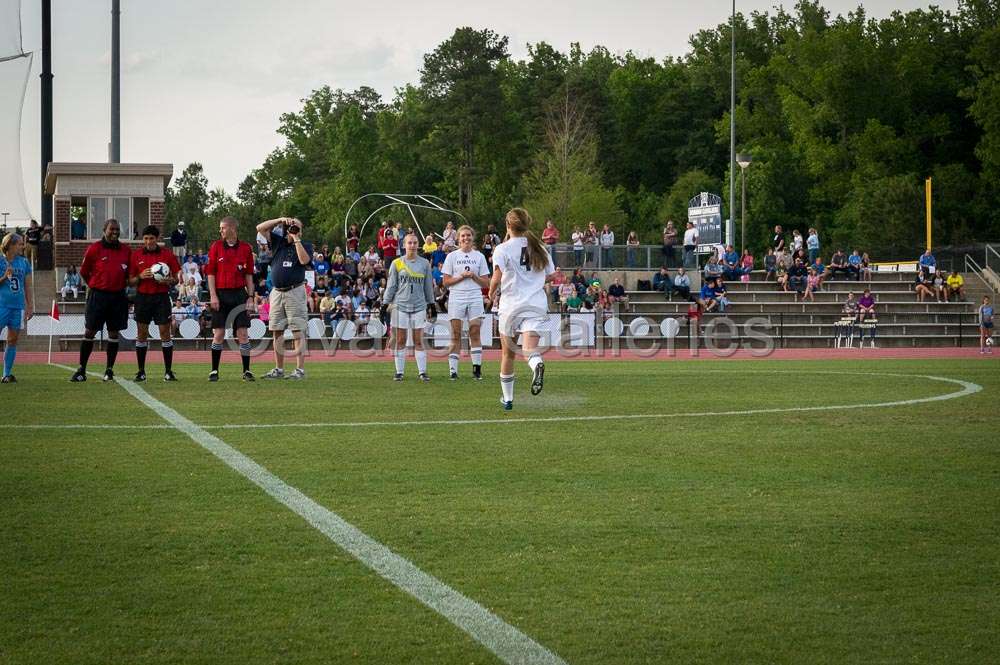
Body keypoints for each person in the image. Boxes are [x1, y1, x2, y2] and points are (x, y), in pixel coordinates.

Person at [488, 208, 555, 410]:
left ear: (508, 225)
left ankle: (508, 400)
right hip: (535, 303)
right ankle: (536, 365)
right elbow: (551, 275)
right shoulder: (540, 247)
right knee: (529, 350)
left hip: (511, 305)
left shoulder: (502, 249)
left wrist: (491, 293)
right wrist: (532, 281)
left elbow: (497, 278)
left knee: (508, 354)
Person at [70, 220, 132, 382]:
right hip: (98, 296)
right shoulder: (95, 248)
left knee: (113, 333)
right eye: (112, 229)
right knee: (90, 331)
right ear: (104, 230)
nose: (115, 232)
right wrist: (93, 284)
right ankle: (81, 369)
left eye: (117, 229)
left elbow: (130, 276)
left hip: (118, 297)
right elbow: (84, 271)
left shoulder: (126, 250)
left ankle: (109, 370)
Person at [256, 216, 313, 380]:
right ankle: (279, 369)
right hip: (277, 292)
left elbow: (304, 260)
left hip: (295, 291)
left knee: (297, 331)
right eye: (292, 226)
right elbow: (260, 228)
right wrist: (280, 220)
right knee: (277, 331)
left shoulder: (305, 246)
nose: (293, 228)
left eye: (297, 227)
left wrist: (296, 238)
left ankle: (299, 370)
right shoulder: (278, 242)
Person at [206, 216, 257, 381]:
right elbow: (210, 273)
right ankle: (214, 370)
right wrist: (213, 295)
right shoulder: (215, 247)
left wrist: (250, 296)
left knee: (242, 333)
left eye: (223, 228)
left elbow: (249, 275)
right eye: (220, 228)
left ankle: (246, 371)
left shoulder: (245, 248)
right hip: (220, 294)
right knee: (219, 333)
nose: (220, 231)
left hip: (239, 295)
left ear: (232, 229)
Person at [128, 225, 181, 382]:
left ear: (157, 239)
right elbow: (130, 282)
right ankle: (141, 372)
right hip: (143, 298)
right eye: (145, 238)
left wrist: (169, 280)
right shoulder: (136, 255)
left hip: (161, 298)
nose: (148, 241)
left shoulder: (167, 254)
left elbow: (176, 278)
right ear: (142, 239)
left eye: (151, 238)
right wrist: (140, 277)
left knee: (165, 333)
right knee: (142, 334)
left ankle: (168, 371)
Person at [381, 233, 436, 381]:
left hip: (419, 306)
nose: (412, 245)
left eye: (414, 242)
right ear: (404, 245)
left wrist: (432, 303)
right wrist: (385, 304)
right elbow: (391, 286)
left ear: (418, 245)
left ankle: (422, 372)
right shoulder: (396, 263)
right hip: (400, 305)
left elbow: (428, 286)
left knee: (419, 340)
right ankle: (399, 372)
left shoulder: (424, 264)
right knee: (400, 339)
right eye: (409, 243)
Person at [441, 226, 491, 380]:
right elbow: (446, 282)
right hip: (457, 297)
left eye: (468, 235)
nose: (465, 238)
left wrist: (473, 276)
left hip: (475, 297)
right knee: (455, 334)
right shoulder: (452, 256)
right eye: (463, 236)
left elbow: (486, 283)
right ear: (458, 238)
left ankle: (477, 370)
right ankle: (453, 371)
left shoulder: (479, 256)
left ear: (472, 237)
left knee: (474, 333)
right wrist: (462, 277)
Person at [0, 233, 33, 382]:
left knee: (12, 339)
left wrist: (29, 305)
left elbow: (27, 285)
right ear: (11, 245)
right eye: (20, 244)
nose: (22, 246)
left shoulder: (24, 262)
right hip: (2, 305)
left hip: (18, 307)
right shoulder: (0, 261)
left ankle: (6, 374)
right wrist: (4, 276)